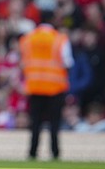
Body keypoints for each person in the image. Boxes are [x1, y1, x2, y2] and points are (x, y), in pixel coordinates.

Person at [19, 11, 74, 160]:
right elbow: (67, 62)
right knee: (54, 124)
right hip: (55, 87)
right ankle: (55, 153)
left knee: (35, 123)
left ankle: (32, 152)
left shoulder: (27, 39)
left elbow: (23, 63)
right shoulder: (60, 39)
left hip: (34, 86)